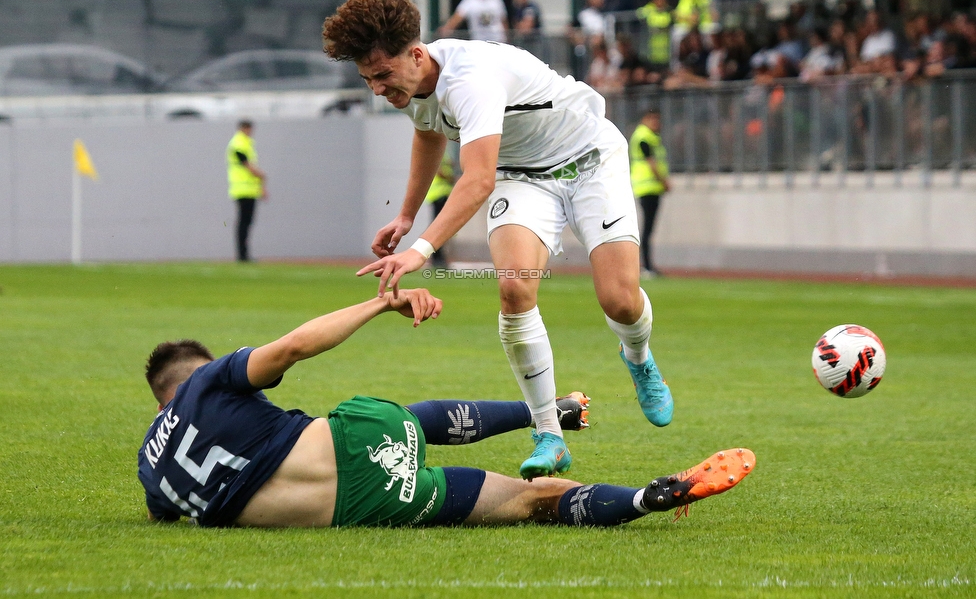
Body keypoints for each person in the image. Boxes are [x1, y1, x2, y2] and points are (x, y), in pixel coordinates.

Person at [322, 0, 675, 481]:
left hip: (590, 159)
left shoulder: (472, 81)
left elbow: (478, 180)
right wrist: (406, 216)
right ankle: (550, 434)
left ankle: (636, 356)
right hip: (522, 176)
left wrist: (422, 249)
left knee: (619, 301)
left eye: (382, 76)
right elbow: (428, 132)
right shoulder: (410, 82)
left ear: (417, 54)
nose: (377, 89)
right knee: (513, 289)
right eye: (367, 79)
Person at [137, 287, 755, 528]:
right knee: (406, 419)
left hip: (361, 508)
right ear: (194, 376)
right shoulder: (210, 382)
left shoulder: (150, 472)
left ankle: (648, 498)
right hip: (352, 444)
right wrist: (380, 304)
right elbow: (296, 346)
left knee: (526, 502)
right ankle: (546, 415)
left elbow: (169, 513)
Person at [629, 110, 670, 278]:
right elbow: (651, 163)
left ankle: (646, 265)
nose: (656, 123)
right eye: (653, 119)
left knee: (647, 229)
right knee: (647, 229)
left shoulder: (648, 136)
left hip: (649, 188)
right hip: (647, 187)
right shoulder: (644, 137)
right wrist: (663, 181)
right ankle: (646, 266)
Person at [226, 119, 266, 262]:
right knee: (244, 223)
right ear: (243, 128)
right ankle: (242, 255)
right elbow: (247, 165)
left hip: (249, 189)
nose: (250, 132)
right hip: (242, 189)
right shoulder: (238, 143)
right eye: (248, 129)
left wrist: (260, 187)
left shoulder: (246, 143)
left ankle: (244, 254)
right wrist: (261, 175)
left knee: (246, 223)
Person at [440, 0, 508, 43]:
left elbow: (503, 21)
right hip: (478, 41)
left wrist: (507, 38)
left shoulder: (497, 0)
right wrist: (447, 29)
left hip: (497, 40)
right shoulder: (469, 1)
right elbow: (457, 17)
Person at [424, 153, 455, 268]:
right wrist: (452, 178)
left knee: (440, 225)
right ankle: (436, 257)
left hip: (442, 195)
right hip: (438, 195)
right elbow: (440, 172)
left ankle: (437, 256)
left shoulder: (444, 155)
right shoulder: (440, 155)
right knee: (439, 226)